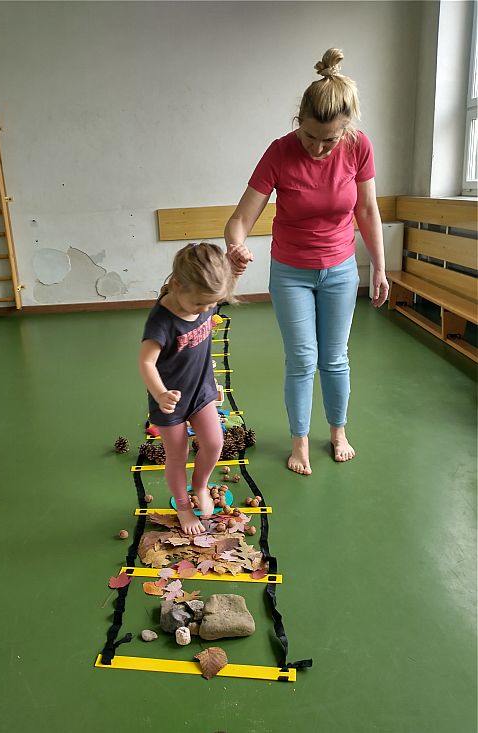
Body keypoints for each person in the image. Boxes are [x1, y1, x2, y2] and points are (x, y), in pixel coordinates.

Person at [224, 48, 389, 476]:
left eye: (328, 140)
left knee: (334, 358)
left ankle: (337, 432)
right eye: (310, 136)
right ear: (298, 120)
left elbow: (367, 210)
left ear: (346, 130)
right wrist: (236, 245)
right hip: (291, 272)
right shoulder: (279, 152)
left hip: (340, 269)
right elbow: (241, 218)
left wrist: (379, 267)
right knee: (301, 359)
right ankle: (299, 440)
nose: (317, 148)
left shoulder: (359, 148)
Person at [138, 242, 236, 534]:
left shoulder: (203, 295)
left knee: (215, 443)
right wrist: (160, 394)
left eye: (211, 305)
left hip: (201, 391)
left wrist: (237, 266)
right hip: (170, 401)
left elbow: (221, 285)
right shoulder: (161, 321)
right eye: (200, 305)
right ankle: (183, 506)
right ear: (178, 285)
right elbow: (146, 362)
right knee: (177, 455)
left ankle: (200, 486)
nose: (206, 310)